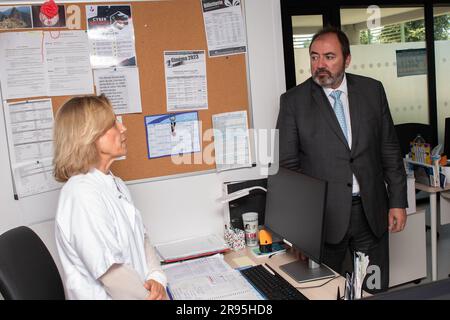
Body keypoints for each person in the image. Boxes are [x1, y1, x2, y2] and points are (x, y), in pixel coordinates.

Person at [276, 27, 407, 292]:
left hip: (371, 213)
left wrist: (397, 201)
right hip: (323, 220)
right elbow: (289, 169)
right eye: (314, 57)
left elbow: (389, 149)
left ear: (347, 59)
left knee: (373, 288)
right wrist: (300, 231)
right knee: (326, 292)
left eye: (329, 56)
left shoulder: (372, 91)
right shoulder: (294, 102)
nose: (320, 64)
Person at [53, 95, 167, 300]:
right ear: (88, 136)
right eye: (112, 124)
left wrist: (157, 278)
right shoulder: (80, 194)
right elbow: (112, 275)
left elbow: (142, 239)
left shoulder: (115, 183)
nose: (123, 128)